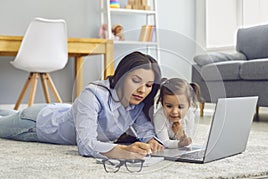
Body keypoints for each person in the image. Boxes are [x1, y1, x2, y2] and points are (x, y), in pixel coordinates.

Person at [0, 51, 164, 160]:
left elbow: (143, 127)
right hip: (35, 124)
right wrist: (122, 151)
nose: (142, 90)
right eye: (135, 81)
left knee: (5, 113)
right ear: (121, 76)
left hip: (55, 110)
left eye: (149, 85)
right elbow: (86, 145)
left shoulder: (136, 103)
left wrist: (151, 139)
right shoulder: (93, 95)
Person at [153, 78, 202, 148]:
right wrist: (179, 144)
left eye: (180, 107)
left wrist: (180, 133)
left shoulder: (190, 114)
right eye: (169, 106)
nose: (174, 112)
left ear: (189, 105)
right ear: (162, 103)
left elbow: (188, 140)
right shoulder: (159, 116)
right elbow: (164, 142)